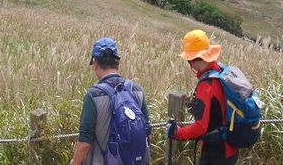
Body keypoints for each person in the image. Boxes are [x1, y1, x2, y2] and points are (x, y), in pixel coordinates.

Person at [70, 37, 150, 165]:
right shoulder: (137, 90)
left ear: (95, 64)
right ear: (117, 63)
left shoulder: (93, 95)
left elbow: (85, 143)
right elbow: (147, 134)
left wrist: (75, 163)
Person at [166, 30, 237, 165]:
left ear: (193, 59)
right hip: (231, 148)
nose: (189, 65)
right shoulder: (220, 71)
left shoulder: (206, 85)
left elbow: (200, 127)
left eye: (188, 60)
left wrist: (177, 133)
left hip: (216, 152)